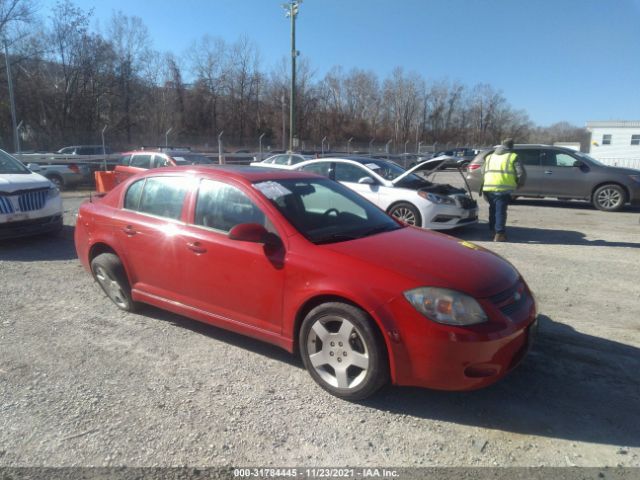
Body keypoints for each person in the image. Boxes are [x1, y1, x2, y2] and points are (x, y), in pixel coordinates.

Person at [480, 138, 526, 242]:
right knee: (500, 211)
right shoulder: (513, 156)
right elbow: (521, 173)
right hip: (502, 188)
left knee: (493, 209)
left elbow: (482, 171)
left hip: (488, 187)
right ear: (511, 146)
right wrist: (520, 183)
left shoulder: (490, 157)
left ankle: (493, 231)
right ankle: (499, 234)